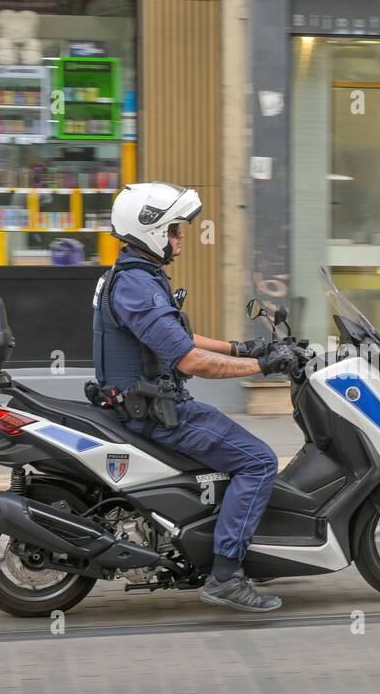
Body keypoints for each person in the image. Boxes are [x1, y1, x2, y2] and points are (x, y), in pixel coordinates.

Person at [93, 182, 305, 613]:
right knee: (259, 460)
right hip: (158, 413)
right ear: (149, 230)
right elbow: (190, 361)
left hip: (149, 405)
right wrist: (265, 367)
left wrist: (243, 348)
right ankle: (226, 575)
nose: (182, 236)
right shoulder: (137, 285)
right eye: (174, 229)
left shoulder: (137, 276)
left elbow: (177, 337)